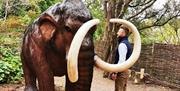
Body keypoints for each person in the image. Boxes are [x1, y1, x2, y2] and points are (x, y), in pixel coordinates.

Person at [112, 26, 132, 91]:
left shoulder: (122, 44)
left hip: (122, 71)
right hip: (126, 70)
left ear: (123, 33)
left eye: (119, 31)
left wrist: (115, 72)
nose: (117, 33)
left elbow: (121, 60)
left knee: (119, 89)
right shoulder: (128, 43)